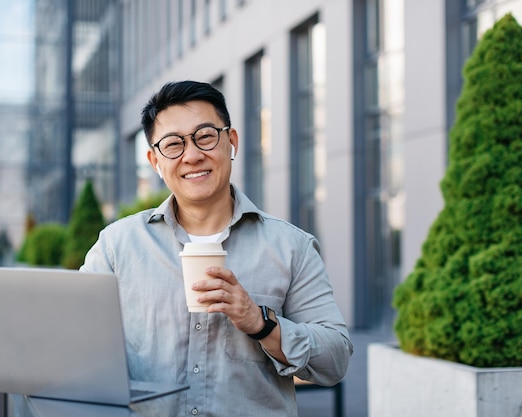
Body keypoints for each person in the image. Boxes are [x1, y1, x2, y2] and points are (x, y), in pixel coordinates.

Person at [81, 80, 353, 416]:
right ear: (154, 161)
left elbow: (336, 358)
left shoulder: (291, 246)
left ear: (231, 142)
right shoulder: (117, 245)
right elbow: (78, 345)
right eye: (173, 144)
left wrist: (261, 323)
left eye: (205, 136)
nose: (193, 155)